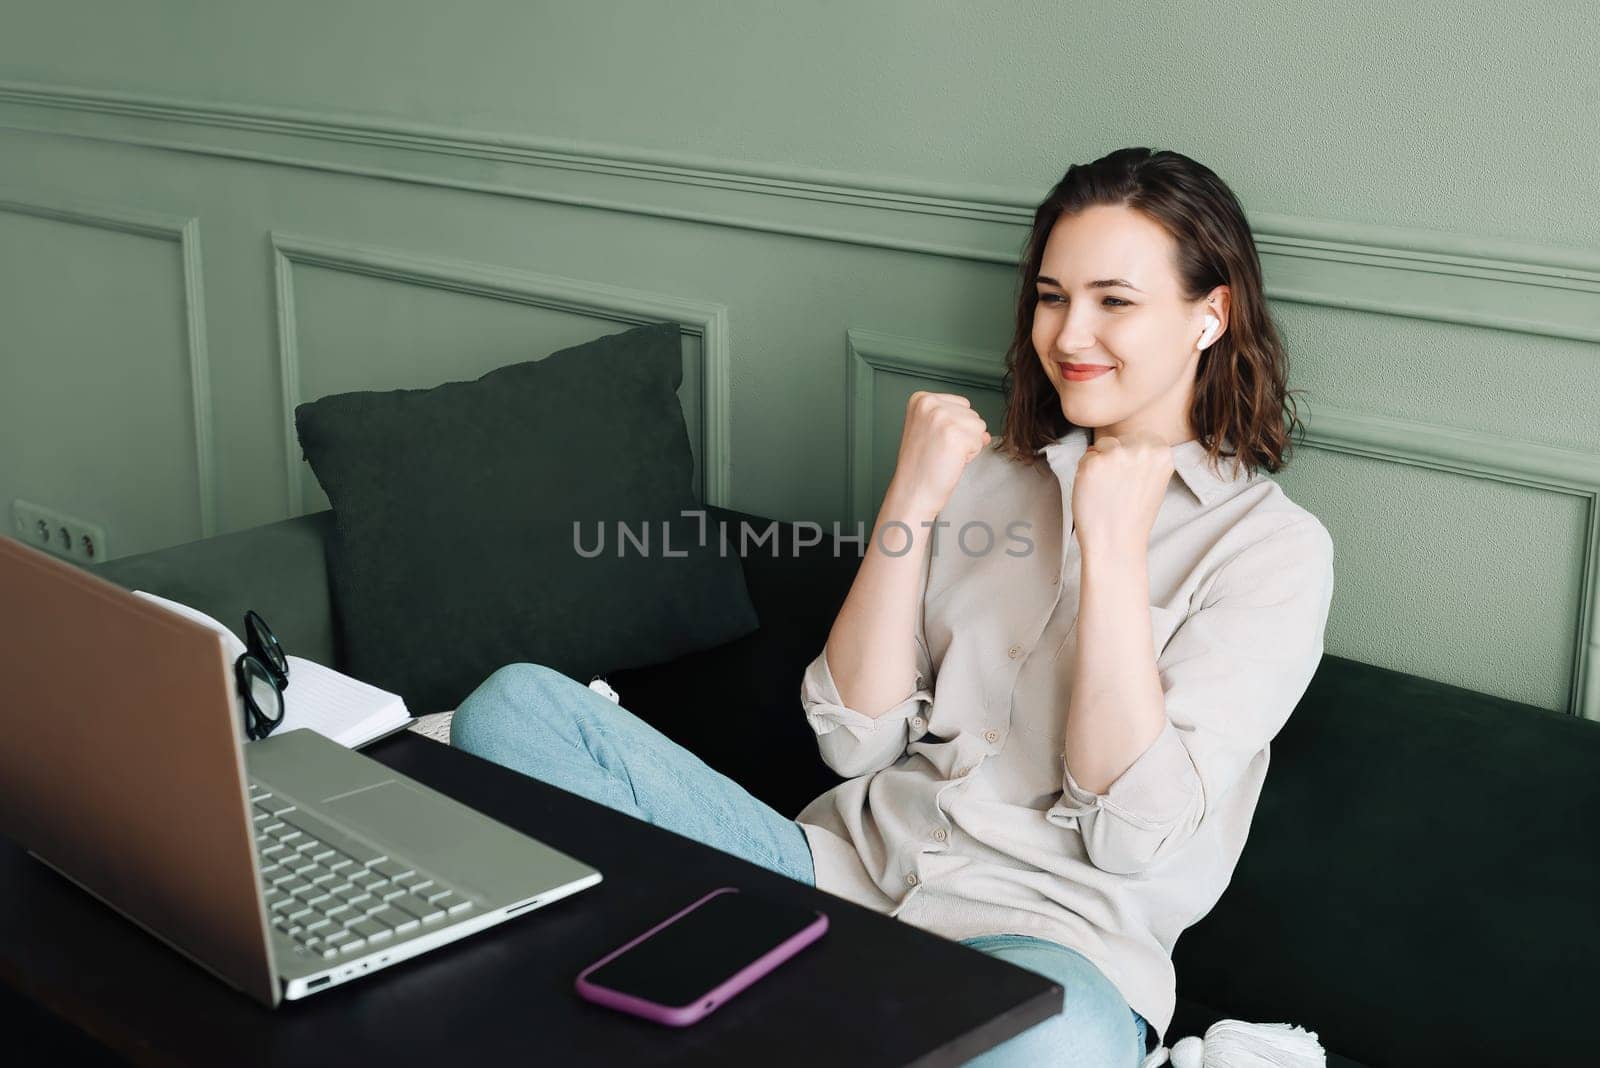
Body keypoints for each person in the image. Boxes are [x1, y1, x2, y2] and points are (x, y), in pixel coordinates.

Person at [451, 147, 1335, 1068]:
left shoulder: (1273, 552)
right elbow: (856, 740)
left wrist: (1112, 549)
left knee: (1055, 1046)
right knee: (514, 710)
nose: (1071, 334)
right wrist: (911, 500)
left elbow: (1131, 835)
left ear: (1211, 314)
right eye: (1051, 295)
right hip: (832, 881)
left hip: (1052, 948)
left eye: (1115, 300)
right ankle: (784, 999)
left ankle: (743, 1005)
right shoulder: (989, 479)